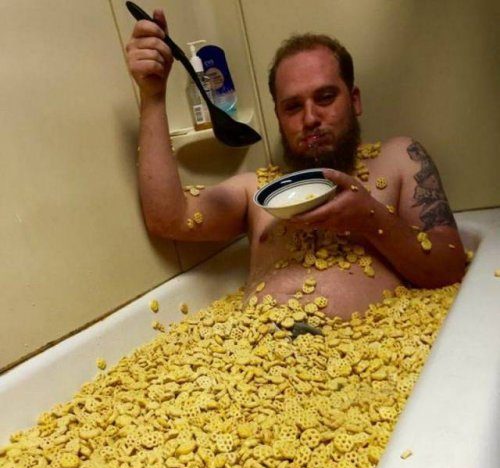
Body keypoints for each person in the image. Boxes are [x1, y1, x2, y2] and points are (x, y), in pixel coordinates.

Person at [125, 10, 466, 320]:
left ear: (355, 100)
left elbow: (450, 267)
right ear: (279, 117)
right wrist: (153, 95)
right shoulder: (257, 191)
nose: (310, 118)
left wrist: (369, 218)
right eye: (293, 107)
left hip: (371, 359)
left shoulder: (399, 159)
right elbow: (168, 218)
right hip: (256, 357)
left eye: (325, 97)